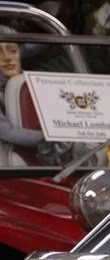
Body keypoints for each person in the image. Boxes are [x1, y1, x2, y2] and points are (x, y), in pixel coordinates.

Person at [0, 35, 46, 165]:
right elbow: (5, 132)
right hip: (10, 169)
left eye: (13, 51)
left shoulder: (41, 84)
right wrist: (50, 138)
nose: (7, 58)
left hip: (56, 165)